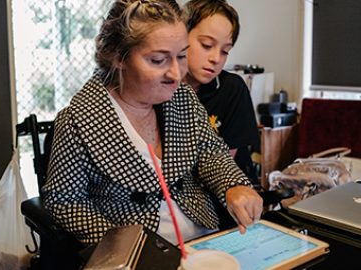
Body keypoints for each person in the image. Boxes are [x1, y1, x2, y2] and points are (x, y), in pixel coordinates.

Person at [42, 0, 262, 245]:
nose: (176, 74)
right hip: (139, 250)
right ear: (118, 57)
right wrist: (123, 246)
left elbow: (209, 152)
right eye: (158, 60)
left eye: (181, 56)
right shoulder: (77, 121)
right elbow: (65, 201)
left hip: (204, 238)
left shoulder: (183, 98)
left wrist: (233, 185)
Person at [183, 0, 260, 184]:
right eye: (207, 45)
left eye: (225, 51)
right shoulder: (161, 89)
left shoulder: (232, 89)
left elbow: (219, 169)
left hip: (224, 190)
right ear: (181, 36)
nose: (216, 58)